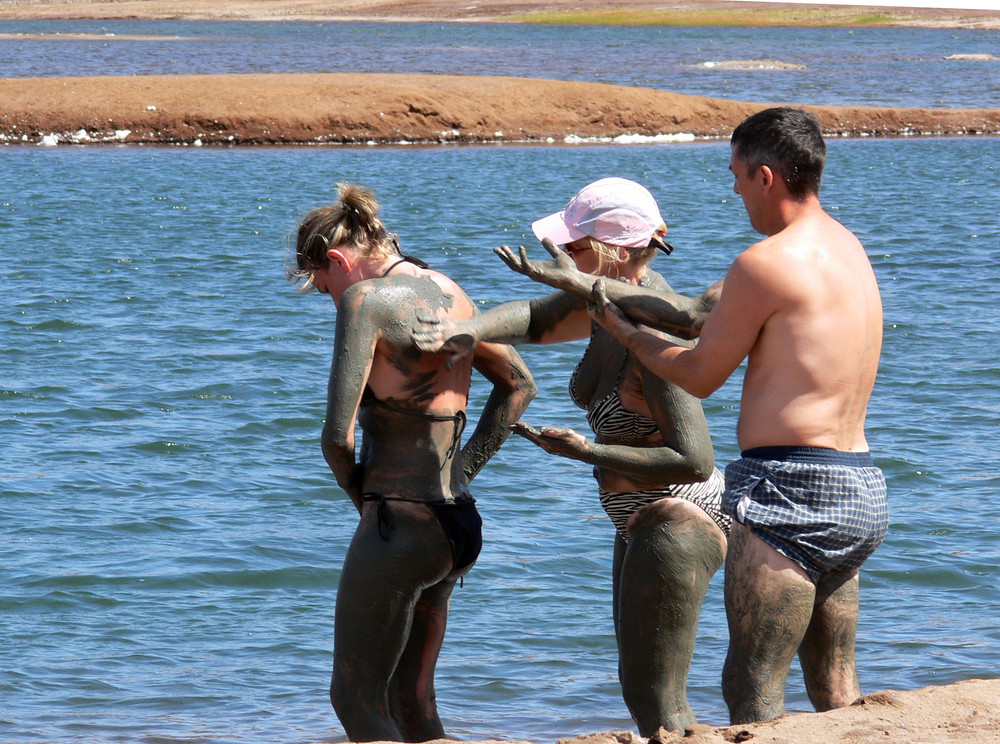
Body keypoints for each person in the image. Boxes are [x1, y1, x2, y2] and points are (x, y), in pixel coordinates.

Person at [586, 108, 889, 724]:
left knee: (751, 685)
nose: (733, 190)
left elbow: (700, 374)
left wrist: (626, 331)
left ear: (767, 176)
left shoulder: (765, 262)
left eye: (736, 174)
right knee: (834, 684)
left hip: (789, 488)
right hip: (859, 486)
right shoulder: (848, 247)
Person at [414, 177, 730, 734]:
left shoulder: (651, 323)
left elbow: (695, 459)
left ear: (617, 249)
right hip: (636, 516)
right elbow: (535, 318)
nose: (561, 258)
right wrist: (465, 331)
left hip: (681, 513)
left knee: (656, 694)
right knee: (638, 688)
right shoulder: (600, 299)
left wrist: (586, 451)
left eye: (574, 248)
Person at [289, 183, 535, 742]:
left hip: (400, 523)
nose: (332, 299)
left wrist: (365, 506)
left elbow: (335, 438)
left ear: (334, 259)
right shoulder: (452, 294)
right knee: (411, 698)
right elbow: (520, 385)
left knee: (354, 698)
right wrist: (463, 471)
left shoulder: (365, 302)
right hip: (457, 522)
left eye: (324, 288)